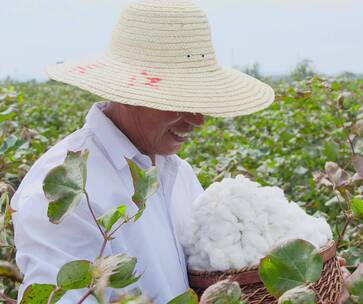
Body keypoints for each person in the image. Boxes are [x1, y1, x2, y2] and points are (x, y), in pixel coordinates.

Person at [11, 0, 274, 302]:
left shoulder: (177, 172)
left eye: (198, 101)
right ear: (127, 92)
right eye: (179, 101)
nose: (197, 119)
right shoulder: (63, 191)